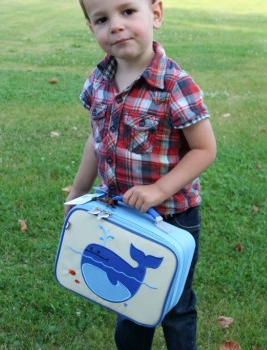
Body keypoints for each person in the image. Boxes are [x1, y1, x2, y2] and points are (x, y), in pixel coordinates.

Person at [65, 0, 217, 348]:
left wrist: (159, 189)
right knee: (131, 297)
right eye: (102, 19)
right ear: (91, 28)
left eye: (128, 11)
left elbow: (204, 149)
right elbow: (96, 139)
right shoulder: (99, 80)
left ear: (156, 14)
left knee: (175, 303)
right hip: (122, 214)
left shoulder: (175, 85)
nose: (115, 25)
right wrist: (77, 194)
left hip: (173, 217)